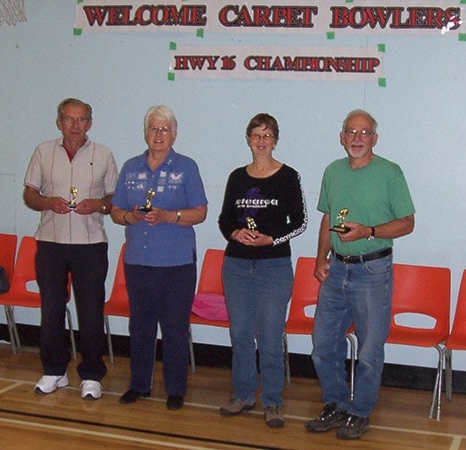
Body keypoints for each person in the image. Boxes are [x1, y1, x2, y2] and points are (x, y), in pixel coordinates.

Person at [305, 109, 415, 440]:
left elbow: (407, 222)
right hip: (336, 269)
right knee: (323, 345)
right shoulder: (333, 171)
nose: (357, 138)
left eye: (364, 133)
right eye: (351, 132)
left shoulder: (390, 173)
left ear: (374, 139)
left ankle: (360, 411)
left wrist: (368, 230)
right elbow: (327, 220)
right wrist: (320, 258)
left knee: (369, 349)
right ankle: (336, 403)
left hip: (373, 270)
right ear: (341, 137)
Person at [110, 105, 207, 411]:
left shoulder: (187, 168)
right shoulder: (130, 167)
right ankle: (139, 384)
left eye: (164, 129)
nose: (158, 135)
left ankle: (175, 390)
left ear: (174, 134)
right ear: (145, 133)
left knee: (175, 329)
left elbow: (200, 212)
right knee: (140, 327)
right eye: (153, 128)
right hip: (138, 261)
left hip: (176, 264)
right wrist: (130, 217)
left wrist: (170, 216)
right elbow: (115, 211)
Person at [24, 97, 118, 400]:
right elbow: (30, 194)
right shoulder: (43, 152)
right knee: (50, 310)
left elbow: (114, 200)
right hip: (50, 242)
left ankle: (91, 375)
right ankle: (54, 371)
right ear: (59, 122)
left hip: (90, 245)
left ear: (90, 123)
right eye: (69, 119)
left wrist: (99, 205)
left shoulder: (104, 155)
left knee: (90, 312)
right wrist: (48, 202)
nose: (75, 126)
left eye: (81, 120)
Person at [218, 113, 307, 428]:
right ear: (248, 139)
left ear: (275, 140)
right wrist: (234, 234)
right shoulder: (237, 177)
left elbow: (301, 222)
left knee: (269, 336)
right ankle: (243, 394)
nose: (261, 141)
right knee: (240, 333)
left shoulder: (288, 176)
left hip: (274, 265)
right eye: (255, 135)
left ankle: (272, 401)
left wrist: (272, 238)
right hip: (237, 265)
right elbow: (225, 219)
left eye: (266, 135)